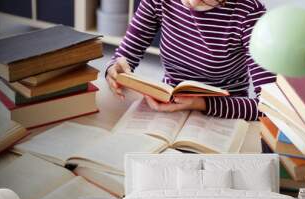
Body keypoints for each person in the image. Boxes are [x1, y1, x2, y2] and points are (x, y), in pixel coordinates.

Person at [106, 0, 275, 120]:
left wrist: (202, 104)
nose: (192, 3)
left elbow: (272, 110)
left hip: (227, 114)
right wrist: (115, 69)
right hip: (168, 107)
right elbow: (125, 56)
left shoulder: (249, 14)